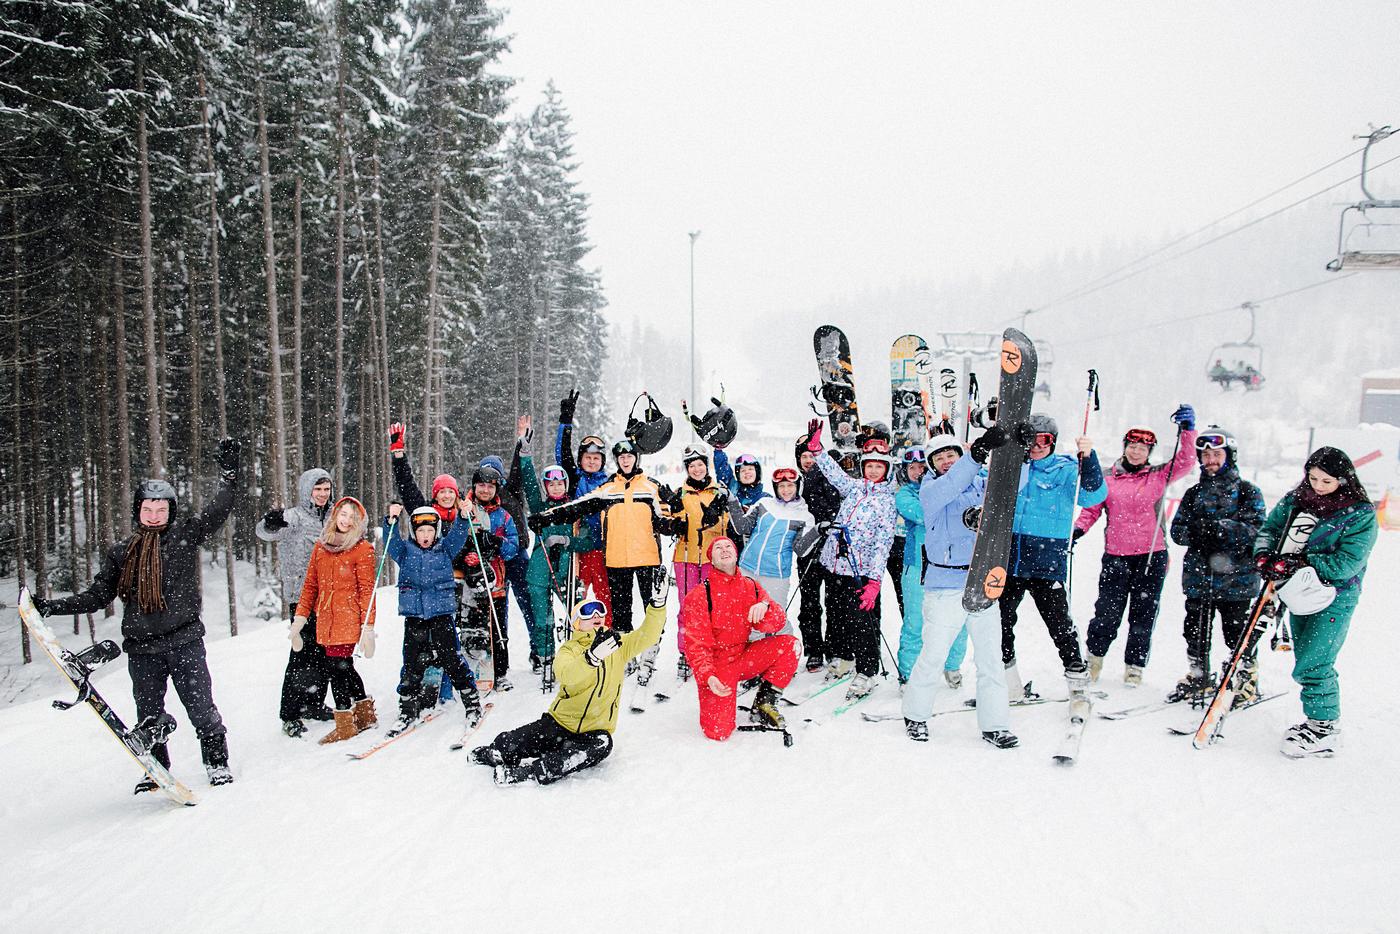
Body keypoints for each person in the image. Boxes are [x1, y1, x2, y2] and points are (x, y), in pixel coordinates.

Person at [32, 439, 241, 790]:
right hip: (143, 649)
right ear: (137, 511)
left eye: (161, 509)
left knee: (201, 707)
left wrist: (229, 477)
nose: (154, 515)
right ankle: (156, 770)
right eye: (148, 509)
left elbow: (218, 510)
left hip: (185, 642)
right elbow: (98, 596)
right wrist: (54, 607)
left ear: (171, 511)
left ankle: (217, 763)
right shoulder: (123, 552)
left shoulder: (185, 536)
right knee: (148, 714)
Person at [473, 587, 667, 785]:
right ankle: (495, 753)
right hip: (560, 724)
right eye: (588, 612)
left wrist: (658, 605)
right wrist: (591, 658)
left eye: (600, 610)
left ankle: (532, 772)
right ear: (576, 623)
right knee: (511, 742)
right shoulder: (569, 650)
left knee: (603, 744)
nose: (596, 615)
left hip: (593, 733)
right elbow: (567, 674)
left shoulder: (617, 646)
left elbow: (648, 635)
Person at [1253, 447, 1377, 757]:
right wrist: (1265, 554)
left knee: (1315, 662)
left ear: (1343, 480)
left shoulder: (1359, 514)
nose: (1318, 486)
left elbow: (1348, 562)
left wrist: (1302, 561)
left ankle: (1325, 727)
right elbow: (1270, 530)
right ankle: (1318, 722)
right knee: (1306, 658)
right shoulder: (1297, 500)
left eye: (1326, 481)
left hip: (1335, 595)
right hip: (1298, 591)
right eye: (1313, 478)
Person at [902, 428, 1018, 747]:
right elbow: (951, 485)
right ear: (932, 464)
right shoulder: (930, 490)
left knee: (990, 658)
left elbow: (1012, 485)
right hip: (945, 586)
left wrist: (1016, 452)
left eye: (951, 454)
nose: (946, 461)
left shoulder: (980, 483)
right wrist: (974, 456)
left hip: (982, 581)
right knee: (933, 654)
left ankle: (995, 724)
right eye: (939, 457)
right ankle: (915, 714)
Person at [1075, 405, 1197, 685]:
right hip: (1116, 555)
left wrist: (1188, 431)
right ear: (1125, 447)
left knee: (1143, 615)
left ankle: (1134, 666)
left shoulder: (1158, 475)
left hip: (1151, 556)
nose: (1136, 452)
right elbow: (1092, 509)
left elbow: (1186, 461)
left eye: (1143, 448)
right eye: (1132, 446)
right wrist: (1078, 529)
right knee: (1107, 612)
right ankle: (1094, 660)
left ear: (1149, 452)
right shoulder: (1108, 476)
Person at [998, 413, 1105, 699]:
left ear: (1053, 442)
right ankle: (1008, 682)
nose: (1036, 446)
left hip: (1046, 560)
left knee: (1059, 624)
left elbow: (1093, 496)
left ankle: (1077, 680)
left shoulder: (1065, 469)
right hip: (1011, 559)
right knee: (1001, 622)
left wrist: (1089, 459)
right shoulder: (1014, 466)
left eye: (1043, 440)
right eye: (1029, 440)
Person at [528, 439, 676, 636]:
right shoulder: (608, 488)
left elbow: (664, 523)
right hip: (617, 560)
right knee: (621, 615)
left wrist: (676, 512)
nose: (625, 461)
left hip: (646, 558)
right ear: (616, 460)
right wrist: (546, 518)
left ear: (636, 458)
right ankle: (622, 648)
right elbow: (576, 507)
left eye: (629, 456)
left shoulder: (650, 487)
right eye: (621, 457)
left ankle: (651, 649)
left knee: (652, 608)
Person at [1167, 427, 1267, 702]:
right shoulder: (1194, 493)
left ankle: (1246, 678)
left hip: (1237, 580)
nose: (1210, 460)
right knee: (1195, 632)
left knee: (1237, 633)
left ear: (1229, 456)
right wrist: (1198, 533)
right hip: (1199, 578)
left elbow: (1257, 531)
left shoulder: (1247, 491)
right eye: (1206, 455)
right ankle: (1199, 675)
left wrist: (1221, 531)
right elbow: (1177, 531)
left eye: (1216, 454)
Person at [806, 420, 899, 703]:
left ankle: (867, 670)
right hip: (835, 565)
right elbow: (834, 474)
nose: (873, 470)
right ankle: (844, 657)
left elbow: (883, 543)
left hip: (862, 572)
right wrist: (818, 450)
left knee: (862, 622)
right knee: (837, 616)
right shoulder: (855, 488)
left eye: (879, 467)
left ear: (886, 469)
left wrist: (874, 582)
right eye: (869, 465)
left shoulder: (887, 501)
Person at [682, 537, 800, 740]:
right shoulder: (699, 595)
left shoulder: (750, 586)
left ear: (736, 555)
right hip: (718, 667)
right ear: (711, 559)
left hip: (744, 656)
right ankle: (721, 698)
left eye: (728, 546)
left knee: (790, 645)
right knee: (718, 732)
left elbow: (776, 624)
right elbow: (696, 644)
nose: (724, 549)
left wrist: (766, 607)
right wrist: (708, 676)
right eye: (718, 548)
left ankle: (765, 703)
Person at [382, 503, 484, 736]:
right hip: (415, 615)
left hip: (441, 615)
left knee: (451, 658)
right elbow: (391, 542)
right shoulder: (405, 552)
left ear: (436, 531)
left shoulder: (445, 549)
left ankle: (471, 702)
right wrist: (390, 522)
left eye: (429, 530)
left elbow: (459, 534)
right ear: (414, 532)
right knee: (412, 662)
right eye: (420, 531)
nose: (425, 535)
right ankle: (407, 709)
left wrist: (462, 516)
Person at [256, 467, 337, 737]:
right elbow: (265, 532)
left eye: (326, 489)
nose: (322, 494)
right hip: (301, 597)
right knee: (301, 655)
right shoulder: (294, 517)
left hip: (329, 597)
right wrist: (270, 522)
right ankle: (290, 714)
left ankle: (314, 703)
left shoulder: (334, 515)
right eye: (317, 489)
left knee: (324, 653)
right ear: (306, 491)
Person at [294, 496, 379, 744]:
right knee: (344, 666)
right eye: (343, 514)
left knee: (337, 668)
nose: (346, 520)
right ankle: (364, 714)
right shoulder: (321, 547)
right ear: (335, 516)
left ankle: (344, 724)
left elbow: (367, 590)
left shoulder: (362, 549)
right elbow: (311, 585)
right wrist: (300, 617)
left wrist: (368, 626)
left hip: (348, 617)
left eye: (352, 517)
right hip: (325, 619)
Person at [894, 439, 969, 687]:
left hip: (952, 563)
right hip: (918, 565)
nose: (918, 472)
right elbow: (923, 514)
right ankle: (908, 672)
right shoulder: (906, 494)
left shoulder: (953, 487)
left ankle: (952, 665)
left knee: (957, 619)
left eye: (922, 466)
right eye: (912, 468)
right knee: (915, 621)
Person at [519, 449, 595, 686]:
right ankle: (546, 659)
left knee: (578, 615)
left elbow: (588, 541)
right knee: (543, 620)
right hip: (540, 571)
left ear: (566, 485)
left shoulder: (575, 510)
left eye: (560, 483)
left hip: (567, 571)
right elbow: (530, 486)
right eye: (551, 484)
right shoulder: (540, 509)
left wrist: (567, 540)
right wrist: (525, 457)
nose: (555, 487)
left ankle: (580, 655)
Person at [665, 444, 730, 678]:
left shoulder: (719, 492)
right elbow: (666, 521)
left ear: (706, 465)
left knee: (714, 608)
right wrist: (673, 522)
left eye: (700, 464)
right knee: (688, 608)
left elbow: (729, 524)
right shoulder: (680, 493)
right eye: (691, 466)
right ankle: (687, 652)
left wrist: (720, 514)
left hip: (713, 559)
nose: (696, 469)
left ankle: (714, 650)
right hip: (686, 557)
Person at [459, 461, 521, 689]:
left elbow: (513, 547)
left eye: (490, 487)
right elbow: (452, 539)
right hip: (469, 582)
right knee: (472, 627)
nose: (485, 490)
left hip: (496, 582)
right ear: (474, 486)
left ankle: (500, 672)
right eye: (481, 486)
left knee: (497, 627)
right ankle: (469, 670)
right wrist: (466, 553)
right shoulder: (464, 510)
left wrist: (495, 542)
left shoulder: (503, 516)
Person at [725, 465, 821, 605]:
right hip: (747, 569)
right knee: (743, 612)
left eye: (790, 485)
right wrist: (731, 500)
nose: (786, 490)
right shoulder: (764, 503)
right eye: (781, 486)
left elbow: (800, 550)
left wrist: (816, 531)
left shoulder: (804, 516)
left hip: (775, 577)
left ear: (798, 487)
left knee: (774, 616)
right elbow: (742, 527)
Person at [554, 389, 613, 616]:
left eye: (596, 458)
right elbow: (562, 454)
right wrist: (566, 422)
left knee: (605, 596)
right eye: (587, 457)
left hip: (602, 550)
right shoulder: (575, 478)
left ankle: (607, 632)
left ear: (602, 461)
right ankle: (577, 633)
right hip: (578, 548)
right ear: (581, 459)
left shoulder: (609, 483)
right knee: (577, 597)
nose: (591, 461)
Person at [795, 427, 842, 672]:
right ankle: (814, 649)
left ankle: (834, 647)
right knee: (810, 603)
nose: (808, 461)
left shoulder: (831, 478)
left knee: (834, 601)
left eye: (812, 456)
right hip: (808, 549)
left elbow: (834, 505)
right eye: (804, 457)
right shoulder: (795, 483)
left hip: (832, 548)